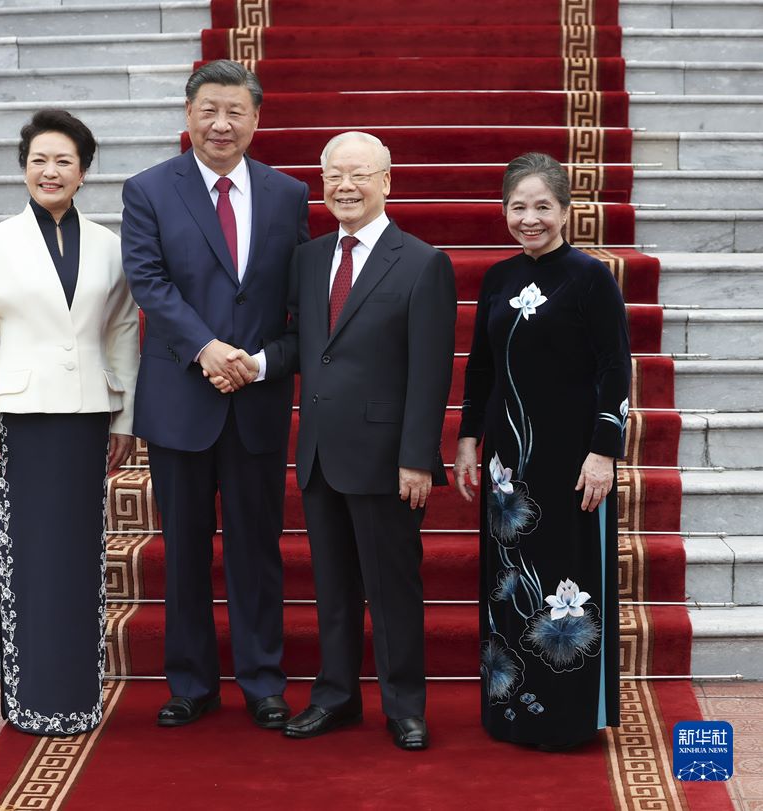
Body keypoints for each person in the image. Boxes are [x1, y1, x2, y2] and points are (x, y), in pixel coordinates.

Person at [216, 131, 456, 750]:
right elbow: (304, 343)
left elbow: (431, 372)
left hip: (386, 457)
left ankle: (404, 705)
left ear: (386, 181)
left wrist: (417, 458)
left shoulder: (422, 261)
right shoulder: (311, 257)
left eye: (358, 175)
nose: (344, 187)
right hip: (320, 452)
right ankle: (337, 696)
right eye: (333, 177)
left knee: (393, 588)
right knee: (333, 588)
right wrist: (258, 363)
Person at [120, 60, 309, 729]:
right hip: (181, 399)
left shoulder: (288, 195)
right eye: (209, 109)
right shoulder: (148, 190)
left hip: (257, 398)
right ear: (188, 114)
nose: (222, 123)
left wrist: (256, 362)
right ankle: (192, 682)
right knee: (186, 547)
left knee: (257, 548)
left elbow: (299, 300)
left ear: (256, 120)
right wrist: (207, 349)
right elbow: (149, 280)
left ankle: (262, 680)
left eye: (235, 111)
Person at [0, 108, 139, 735]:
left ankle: (76, 698)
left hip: (88, 417)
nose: (50, 170)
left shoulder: (110, 246)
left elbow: (120, 332)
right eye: (39, 160)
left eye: (64, 160)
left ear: (84, 172)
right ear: (24, 169)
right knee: (29, 556)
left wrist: (124, 419)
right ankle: (30, 696)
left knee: (78, 556)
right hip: (20, 421)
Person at [454, 152, 630, 750]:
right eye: (517, 207)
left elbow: (615, 369)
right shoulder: (498, 279)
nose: (529, 219)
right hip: (509, 473)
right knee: (511, 582)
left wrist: (604, 451)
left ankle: (566, 719)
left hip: (573, 463)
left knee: (567, 585)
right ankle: (510, 711)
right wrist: (469, 439)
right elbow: (480, 369)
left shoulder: (589, 277)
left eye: (541, 207)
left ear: (565, 210)